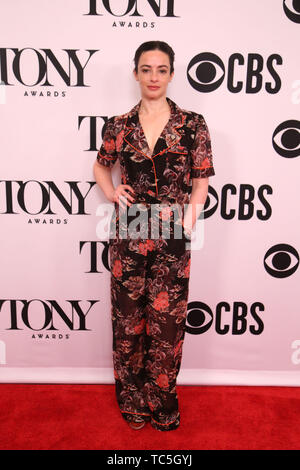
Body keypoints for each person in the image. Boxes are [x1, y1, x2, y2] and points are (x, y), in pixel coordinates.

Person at [93, 40, 215, 431]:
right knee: (128, 321)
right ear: (135, 73)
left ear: (172, 74)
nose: (153, 77)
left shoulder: (192, 124)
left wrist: (187, 223)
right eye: (146, 69)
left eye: (161, 69)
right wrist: (113, 193)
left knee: (167, 324)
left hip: (173, 237)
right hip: (129, 234)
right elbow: (100, 167)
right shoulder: (118, 125)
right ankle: (131, 396)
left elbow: (201, 183)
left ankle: (162, 398)